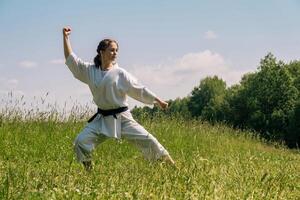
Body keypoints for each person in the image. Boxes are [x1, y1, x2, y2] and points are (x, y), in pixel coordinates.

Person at [62, 26, 175, 171]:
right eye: (112, 50)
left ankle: (173, 169)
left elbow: (138, 88)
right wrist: (66, 38)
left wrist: (158, 100)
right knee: (81, 141)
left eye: (116, 50)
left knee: (149, 140)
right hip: (102, 119)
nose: (115, 53)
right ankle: (89, 172)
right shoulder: (90, 71)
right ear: (101, 52)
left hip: (123, 118)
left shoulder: (120, 73)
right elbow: (71, 60)